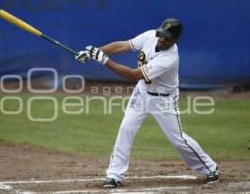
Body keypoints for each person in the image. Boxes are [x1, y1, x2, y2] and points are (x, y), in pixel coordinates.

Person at [75, 18, 219, 188]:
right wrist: (95, 52)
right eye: (161, 35)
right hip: (142, 92)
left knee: (178, 139)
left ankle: (210, 168)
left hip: (164, 99)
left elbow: (133, 75)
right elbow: (123, 46)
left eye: (167, 38)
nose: (162, 39)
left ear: (175, 40)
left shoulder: (169, 58)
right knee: (125, 129)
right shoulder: (151, 35)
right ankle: (114, 175)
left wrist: (104, 60)